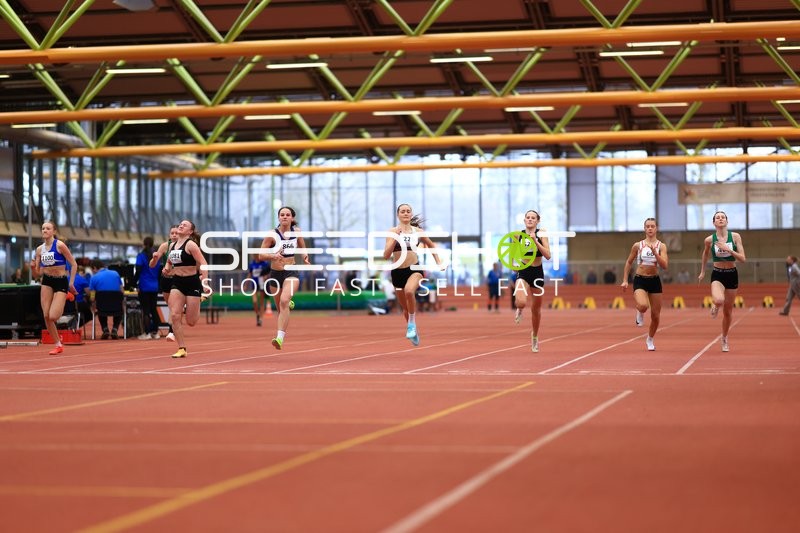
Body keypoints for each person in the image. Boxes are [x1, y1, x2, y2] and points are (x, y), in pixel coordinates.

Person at [382, 203, 443, 346]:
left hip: (414, 268)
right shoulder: (392, 231)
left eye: (408, 211)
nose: (405, 213)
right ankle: (413, 329)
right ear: (398, 215)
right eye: (402, 211)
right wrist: (395, 238)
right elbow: (386, 255)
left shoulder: (417, 231)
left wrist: (438, 262)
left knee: (410, 291)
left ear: (410, 214)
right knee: (405, 308)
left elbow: (431, 245)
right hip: (397, 271)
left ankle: (411, 324)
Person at [259, 206, 310, 350]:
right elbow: (261, 255)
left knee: (284, 301)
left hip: (291, 271)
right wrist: (273, 255)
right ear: (279, 218)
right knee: (281, 309)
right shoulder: (272, 234)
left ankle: (279, 338)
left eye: (288, 215)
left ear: (292, 218)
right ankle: (288, 304)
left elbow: (303, 247)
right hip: (275, 274)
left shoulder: (297, 232)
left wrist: (305, 257)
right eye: (282, 215)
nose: (285, 217)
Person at [698, 210, 746, 352]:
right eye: (717, 217)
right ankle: (715, 305)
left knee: (728, 311)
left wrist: (729, 250)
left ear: (726, 221)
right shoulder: (709, 240)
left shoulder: (735, 237)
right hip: (717, 274)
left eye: (723, 217)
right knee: (719, 300)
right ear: (714, 222)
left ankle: (724, 338)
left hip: (732, 274)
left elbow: (743, 259)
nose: (720, 219)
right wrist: (702, 271)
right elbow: (705, 254)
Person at [620, 218, 669, 351]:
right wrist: (625, 280)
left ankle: (650, 339)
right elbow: (629, 262)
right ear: (644, 229)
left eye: (652, 226)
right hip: (640, 279)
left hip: (654, 280)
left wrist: (655, 253)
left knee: (656, 316)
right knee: (642, 305)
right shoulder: (638, 245)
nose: (650, 228)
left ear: (656, 228)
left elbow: (664, 265)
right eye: (647, 226)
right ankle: (640, 312)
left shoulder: (661, 246)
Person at [30, 221, 78, 355]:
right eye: (43, 228)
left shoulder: (60, 245)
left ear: (54, 231)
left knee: (53, 316)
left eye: (48, 228)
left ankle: (65, 295)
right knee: (46, 315)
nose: (44, 230)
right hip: (47, 281)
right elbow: (38, 274)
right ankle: (58, 344)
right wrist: (33, 268)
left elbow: (74, 264)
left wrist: (71, 283)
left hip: (61, 281)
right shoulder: (39, 249)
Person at [163, 219, 209, 358]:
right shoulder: (172, 246)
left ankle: (198, 300)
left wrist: (205, 282)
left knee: (191, 321)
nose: (181, 225)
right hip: (177, 282)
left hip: (192, 282)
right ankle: (182, 348)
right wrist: (166, 269)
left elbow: (203, 262)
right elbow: (169, 262)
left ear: (190, 231)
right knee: (175, 315)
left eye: (185, 225)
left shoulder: (191, 245)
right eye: (180, 224)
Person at [512, 210, 551, 353]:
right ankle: (520, 309)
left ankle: (534, 336)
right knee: (521, 301)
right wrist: (513, 264)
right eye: (528, 217)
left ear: (537, 221)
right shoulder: (518, 234)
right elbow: (513, 251)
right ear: (524, 220)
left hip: (537, 272)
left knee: (536, 309)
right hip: (524, 270)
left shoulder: (542, 233)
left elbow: (548, 255)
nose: (530, 220)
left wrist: (535, 241)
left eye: (533, 218)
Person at [150, 225, 179, 341]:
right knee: (172, 306)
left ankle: (171, 331)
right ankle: (175, 327)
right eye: (172, 233)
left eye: (176, 233)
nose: (174, 235)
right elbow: (151, 265)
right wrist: (155, 258)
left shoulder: (185, 247)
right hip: (166, 279)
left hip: (179, 279)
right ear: (169, 234)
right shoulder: (164, 246)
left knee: (174, 306)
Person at [88, 259, 124, 339]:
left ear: (94, 268)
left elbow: (92, 296)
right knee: (119, 312)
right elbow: (122, 291)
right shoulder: (115, 274)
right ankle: (115, 329)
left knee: (100, 311)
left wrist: (92, 302)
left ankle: (105, 329)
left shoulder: (94, 278)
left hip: (102, 307)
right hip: (116, 306)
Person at [134, 236, 162, 340]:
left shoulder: (141, 256)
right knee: (153, 309)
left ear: (144, 244)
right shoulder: (156, 256)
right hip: (154, 286)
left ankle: (146, 333)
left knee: (146, 310)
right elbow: (159, 271)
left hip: (144, 286)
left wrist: (133, 283)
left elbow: (138, 270)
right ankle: (155, 332)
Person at [247, 256, 271, 326]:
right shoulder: (252, 264)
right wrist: (246, 283)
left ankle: (260, 318)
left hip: (262, 284)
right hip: (254, 284)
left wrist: (266, 277)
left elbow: (269, 272)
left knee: (261, 302)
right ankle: (257, 314)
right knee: (254, 301)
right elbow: (250, 274)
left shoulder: (265, 264)